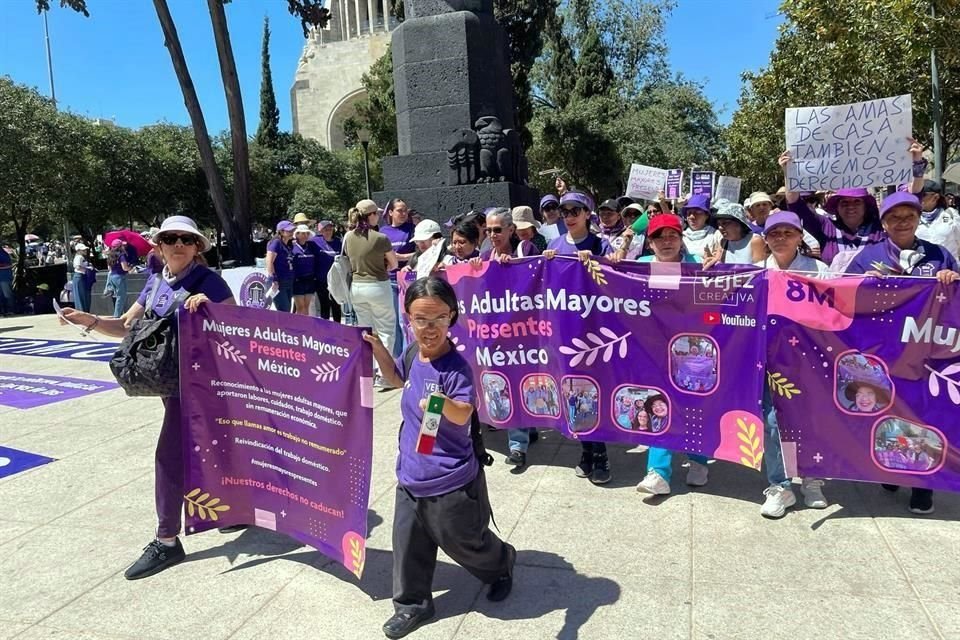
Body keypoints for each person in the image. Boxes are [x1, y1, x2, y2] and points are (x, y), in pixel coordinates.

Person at [60, 215, 234, 579]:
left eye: (187, 240)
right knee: (210, 446)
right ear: (159, 245)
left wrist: (212, 310)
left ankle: (167, 539)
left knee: (170, 457)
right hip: (171, 384)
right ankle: (230, 510)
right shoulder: (156, 283)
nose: (178, 245)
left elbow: (238, 325)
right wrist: (88, 320)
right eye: (170, 238)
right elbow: (125, 325)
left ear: (197, 247)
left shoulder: (209, 281)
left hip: (202, 384)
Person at [363, 277, 515, 639]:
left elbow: (463, 413)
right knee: (408, 545)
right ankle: (413, 604)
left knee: (466, 542)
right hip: (412, 475)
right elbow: (397, 378)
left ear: (452, 318)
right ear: (408, 319)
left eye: (438, 320)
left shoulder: (456, 367)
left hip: (450, 480)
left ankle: (501, 563)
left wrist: (439, 403)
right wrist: (376, 348)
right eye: (420, 320)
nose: (429, 329)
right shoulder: (415, 353)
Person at [755, 211, 830, 517]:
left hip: (810, 362)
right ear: (766, 238)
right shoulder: (755, 271)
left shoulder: (820, 270)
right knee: (774, 425)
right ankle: (780, 485)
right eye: (774, 233)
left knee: (811, 424)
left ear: (800, 237)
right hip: (770, 362)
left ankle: (812, 480)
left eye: (788, 232)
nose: (781, 238)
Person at [543, 190, 614, 484]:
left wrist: (599, 260)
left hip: (597, 332)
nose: (569, 216)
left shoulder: (600, 242)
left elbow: (616, 276)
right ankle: (586, 450)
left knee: (594, 392)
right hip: (566, 330)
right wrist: (544, 263)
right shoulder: (555, 244)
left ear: (587, 214)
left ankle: (601, 456)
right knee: (574, 393)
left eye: (575, 211)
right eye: (565, 211)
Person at [635, 214, 708, 495]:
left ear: (681, 239)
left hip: (692, 352)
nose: (666, 242)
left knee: (693, 407)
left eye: (672, 236)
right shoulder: (637, 267)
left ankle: (699, 460)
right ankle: (658, 472)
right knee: (659, 404)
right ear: (650, 242)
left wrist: (713, 271)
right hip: (653, 351)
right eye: (659, 237)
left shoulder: (698, 267)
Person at [779, 139, 925, 268]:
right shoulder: (826, 227)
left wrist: (917, 162)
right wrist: (789, 173)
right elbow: (795, 204)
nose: (851, 206)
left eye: (856, 201)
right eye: (844, 202)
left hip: (876, 294)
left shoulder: (880, 227)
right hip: (834, 296)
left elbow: (912, 198)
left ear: (865, 205)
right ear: (836, 206)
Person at [345, 199, 399, 389]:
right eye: (376, 213)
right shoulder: (380, 237)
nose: (379, 216)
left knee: (365, 331)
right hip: (378, 285)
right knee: (386, 330)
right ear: (370, 216)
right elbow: (394, 265)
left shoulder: (348, 237)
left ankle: (368, 371)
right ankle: (384, 374)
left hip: (356, 287)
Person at [845, 192, 960, 281]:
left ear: (918, 219)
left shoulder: (940, 255)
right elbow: (843, 295)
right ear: (883, 223)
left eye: (910, 216)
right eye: (895, 217)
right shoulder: (866, 257)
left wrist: (954, 279)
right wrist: (859, 283)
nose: (904, 222)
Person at [382, 199, 416, 357]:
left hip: (408, 279)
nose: (403, 214)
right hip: (388, 280)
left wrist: (400, 257)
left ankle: (407, 357)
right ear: (390, 212)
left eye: (405, 210)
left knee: (405, 321)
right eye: (399, 210)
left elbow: (420, 253)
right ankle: (397, 359)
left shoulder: (412, 229)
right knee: (393, 322)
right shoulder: (383, 232)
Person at [916, 179, 960, 260]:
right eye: (916, 195)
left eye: (922, 195)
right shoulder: (914, 217)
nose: (918, 198)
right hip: (923, 268)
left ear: (935, 197)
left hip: (949, 268)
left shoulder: (951, 215)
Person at [703, 201, 757, 266]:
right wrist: (712, 261)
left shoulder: (755, 241)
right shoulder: (724, 242)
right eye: (718, 224)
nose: (720, 227)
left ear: (739, 223)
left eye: (725, 223)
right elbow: (718, 262)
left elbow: (761, 272)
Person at [311, 220, 342, 323]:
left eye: (330, 229)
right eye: (325, 229)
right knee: (324, 305)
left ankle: (338, 328)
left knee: (336, 305)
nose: (328, 231)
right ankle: (326, 330)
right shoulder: (314, 241)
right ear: (320, 231)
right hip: (321, 280)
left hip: (336, 280)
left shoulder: (338, 242)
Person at [266, 221, 295, 313]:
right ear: (281, 232)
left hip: (288, 280)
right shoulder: (276, 243)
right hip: (279, 282)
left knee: (288, 309)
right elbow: (269, 262)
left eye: (292, 230)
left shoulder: (288, 245)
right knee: (284, 310)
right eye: (288, 231)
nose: (291, 232)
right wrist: (273, 279)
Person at [291, 225, 320, 315]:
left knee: (306, 307)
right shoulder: (292, 247)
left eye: (307, 233)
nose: (305, 235)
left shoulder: (311, 246)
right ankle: (298, 328)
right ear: (297, 234)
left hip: (310, 280)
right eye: (303, 233)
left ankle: (306, 327)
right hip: (298, 281)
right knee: (300, 307)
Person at [105, 239, 133, 317]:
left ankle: (123, 314)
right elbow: (125, 268)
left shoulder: (110, 255)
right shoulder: (121, 255)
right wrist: (130, 267)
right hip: (120, 277)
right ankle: (117, 316)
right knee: (121, 297)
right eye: (122, 245)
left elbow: (109, 268)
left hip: (112, 277)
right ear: (120, 246)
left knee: (119, 296)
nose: (124, 246)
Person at [72, 243, 94, 313]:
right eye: (83, 250)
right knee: (81, 296)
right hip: (79, 277)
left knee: (84, 296)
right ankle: (82, 313)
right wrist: (87, 269)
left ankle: (84, 312)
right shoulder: (79, 257)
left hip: (82, 277)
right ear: (78, 250)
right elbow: (78, 267)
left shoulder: (81, 257)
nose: (85, 250)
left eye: (85, 249)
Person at [0, 244, 15, 316]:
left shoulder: (3, 254)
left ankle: (11, 310)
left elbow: (9, 265)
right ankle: (3, 311)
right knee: (2, 296)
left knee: (7, 295)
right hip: (2, 277)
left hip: (4, 277)